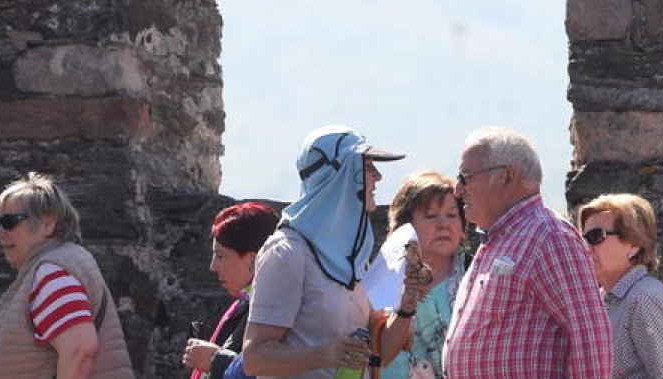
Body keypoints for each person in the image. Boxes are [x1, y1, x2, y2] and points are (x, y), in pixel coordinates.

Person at [241, 125, 432, 379]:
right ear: (340, 174)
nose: (377, 176)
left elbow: (380, 355)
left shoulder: (350, 256)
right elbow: (255, 359)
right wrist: (324, 355)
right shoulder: (287, 252)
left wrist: (408, 302)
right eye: (366, 167)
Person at [442, 126, 612, 379]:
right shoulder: (500, 239)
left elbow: (590, 339)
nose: (458, 189)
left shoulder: (550, 237)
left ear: (505, 176)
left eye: (466, 176)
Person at [0, 172, 134, 379]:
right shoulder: (53, 266)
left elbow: (79, 350)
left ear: (47, 224)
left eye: (10, 222)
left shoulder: (53, 272)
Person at [367, 171, 467, 379]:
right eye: (430, 216)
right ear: (405, 225)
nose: (443, 224)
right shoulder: (383, 281)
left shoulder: (478, 275)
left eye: (451, 215)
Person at [578, 193, 663, 379]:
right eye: (582, 239)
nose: (585, 247)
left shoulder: (646, 300)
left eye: (596, 237)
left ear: (634, 244)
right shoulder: (603, 298)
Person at [183, 202, 280, 379]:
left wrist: (216, 361)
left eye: (221, 256)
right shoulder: (247, 304)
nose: (213, 267)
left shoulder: (274, 312)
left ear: (253, 261)